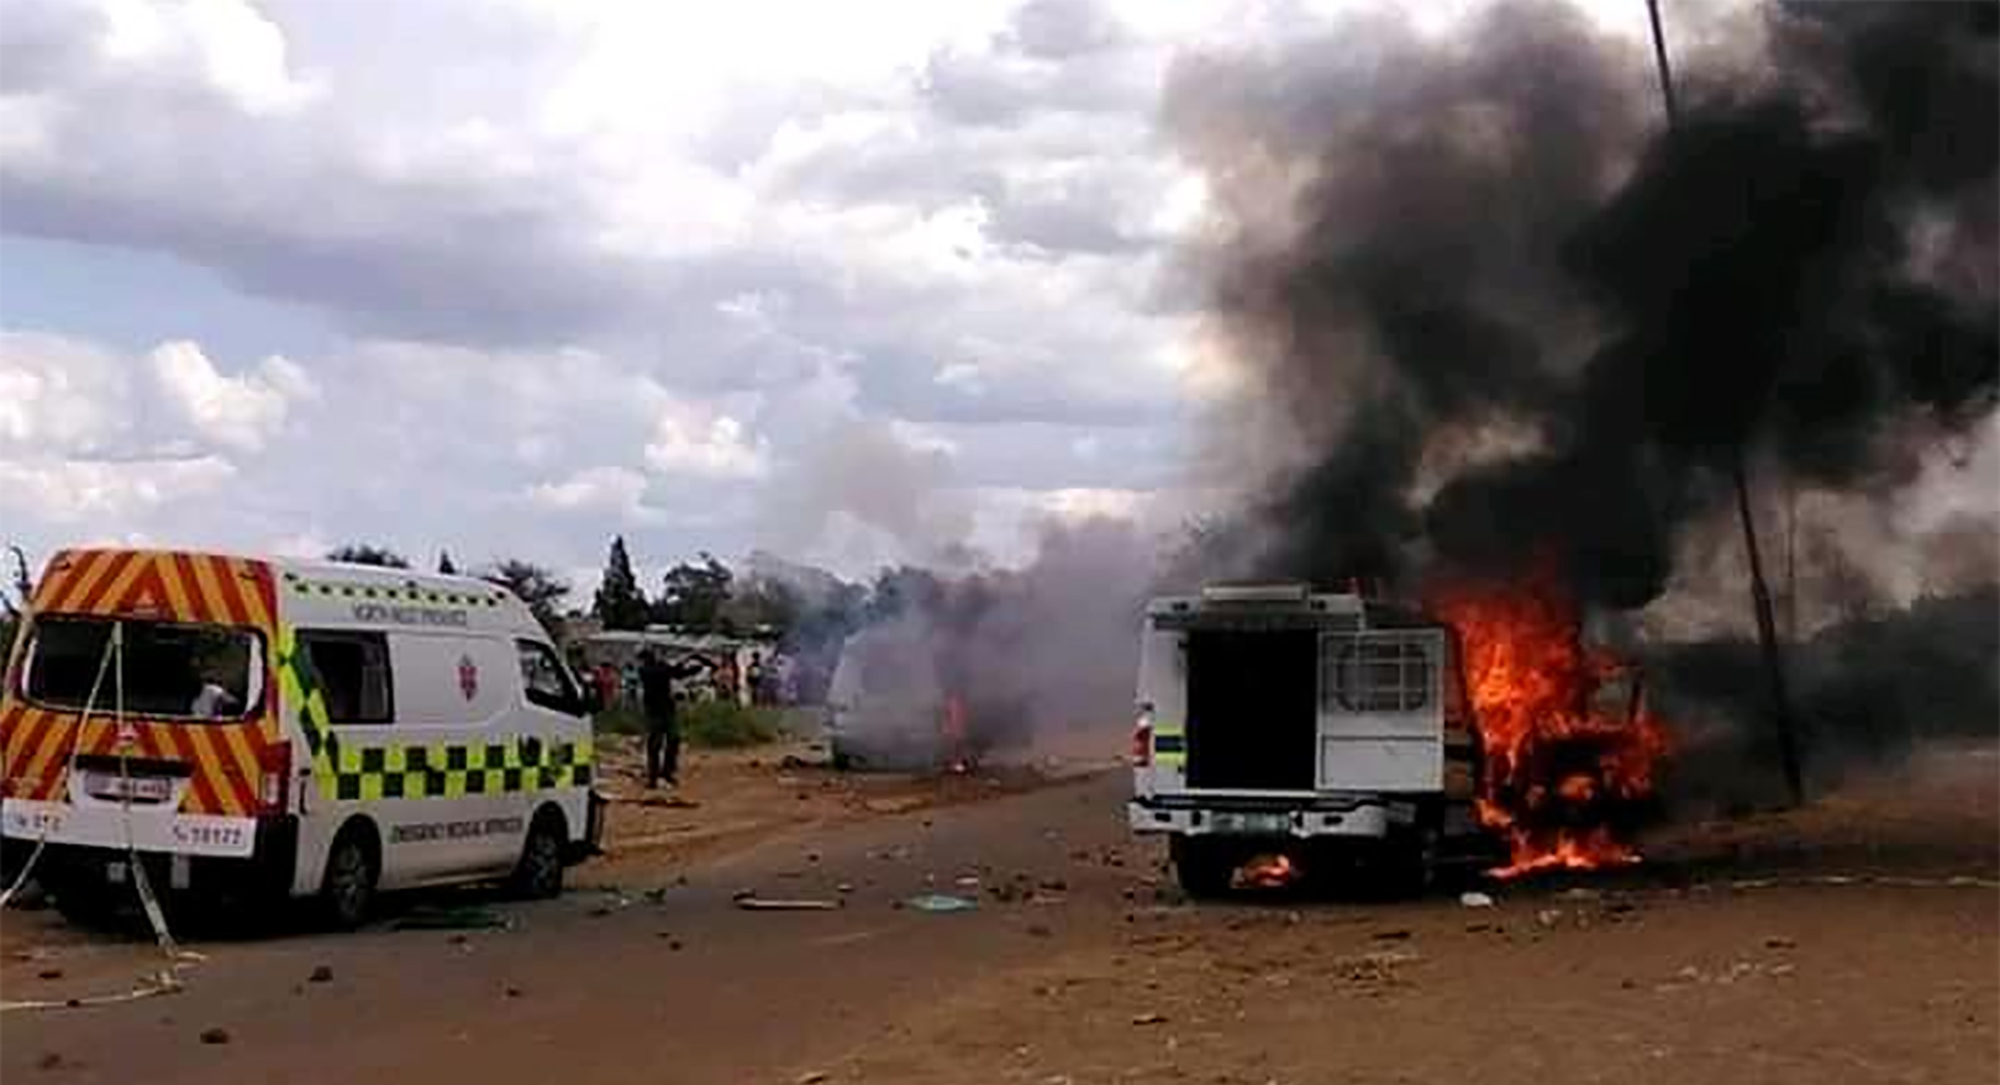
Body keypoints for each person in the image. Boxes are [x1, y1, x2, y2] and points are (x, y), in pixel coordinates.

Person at [639, 648, 708, 788]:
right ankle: (655, 776)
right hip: (655, 712)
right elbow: (673, 673)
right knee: (657, 744)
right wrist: (689, 665)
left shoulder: (656, 668)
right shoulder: (646, 671)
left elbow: (677, 673)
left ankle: (665, 773)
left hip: (666, 710)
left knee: (672, 740)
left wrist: (693, 668)